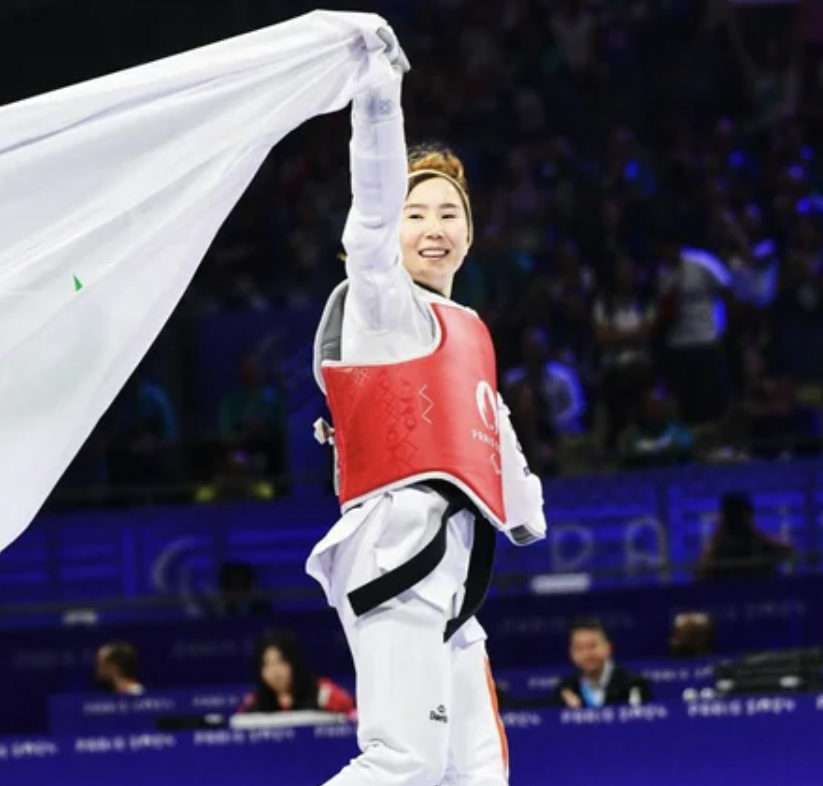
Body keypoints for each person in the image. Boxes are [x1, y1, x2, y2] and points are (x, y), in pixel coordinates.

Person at [307, 27, 548, 786]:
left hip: (457, 583)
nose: (435, 228)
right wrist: (379, 101)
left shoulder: (469, 329)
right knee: (402, 762)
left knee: (478, 778)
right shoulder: (382, 307)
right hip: (398, 561)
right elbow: (372, 216)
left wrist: (526, 505)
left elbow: (496, 442)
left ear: (471, 234)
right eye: (418, 214)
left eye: (450, 214)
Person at [236, 629, 355, 717]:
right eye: (266, 664)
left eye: (281, 662)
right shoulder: (254, 703)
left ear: (294, 662)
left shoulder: (324, 694)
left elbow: (353, 717)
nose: (275, 671)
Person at [556, 619, 652, 708]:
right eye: (579, 648)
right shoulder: (564, 689)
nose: (586, 654)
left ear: (608, 647)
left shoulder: (633, 684)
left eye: (592, 646)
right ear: (571, 653)